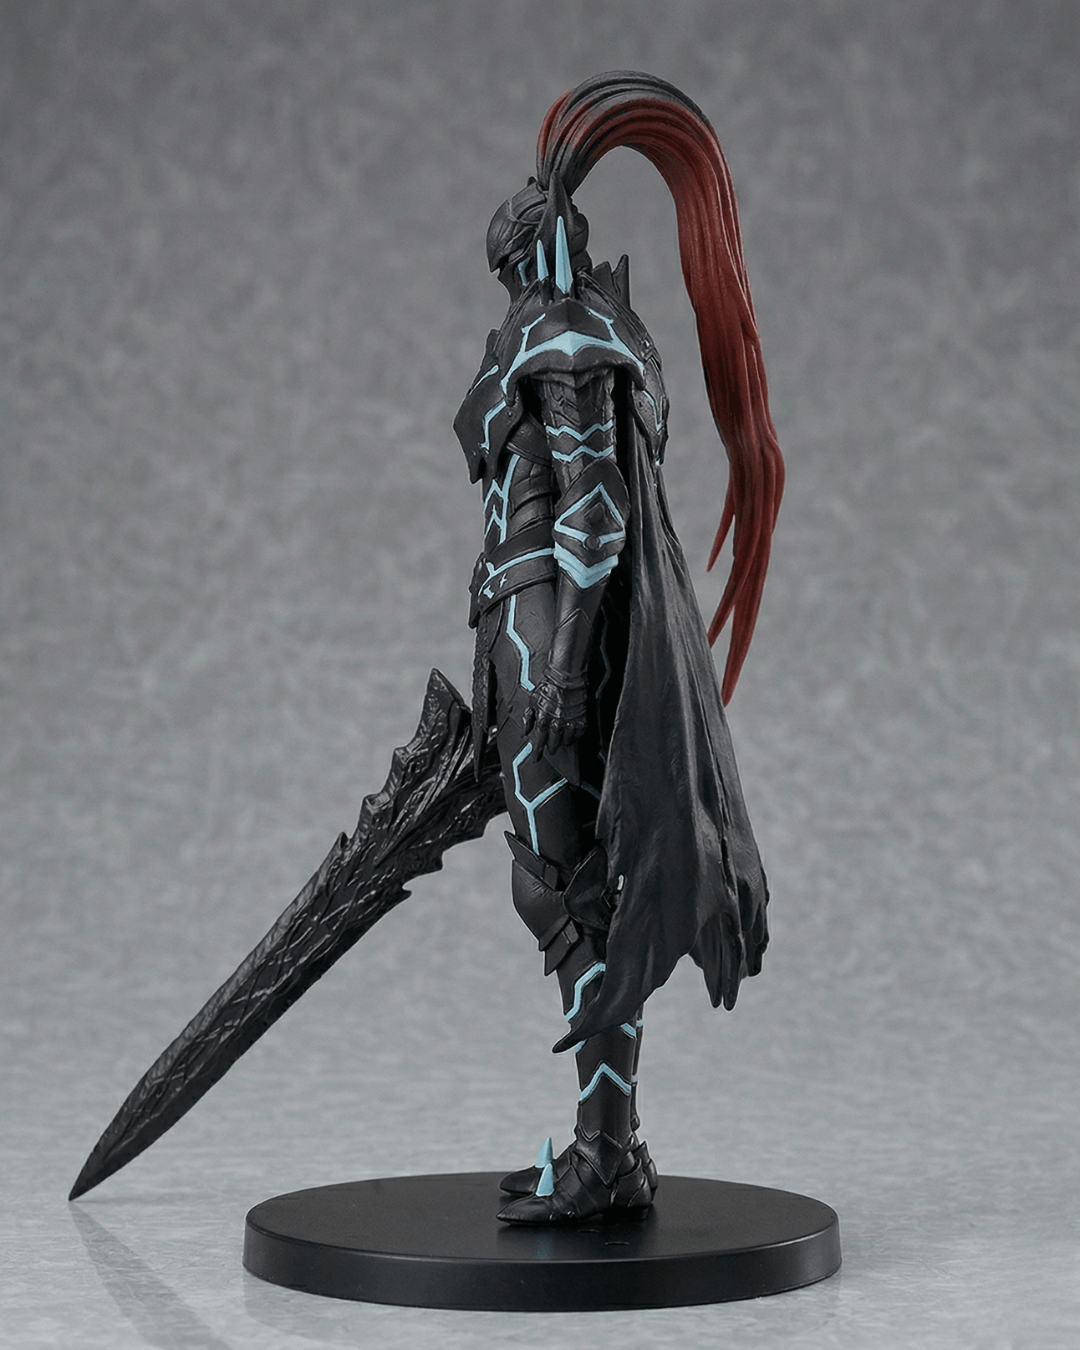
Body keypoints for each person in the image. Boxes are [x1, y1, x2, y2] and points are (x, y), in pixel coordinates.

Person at [453, 72, 785, 1224]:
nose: (511, 283)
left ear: (533, 254)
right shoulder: (584, 330)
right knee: (567, 888)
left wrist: (566, 668)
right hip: (527, 626)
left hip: (550, 636)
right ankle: (611, 1147)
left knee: (567, 892)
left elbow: (592, 517)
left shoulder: (569, 342)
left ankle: (607, 1152)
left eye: (513, 262)